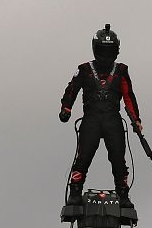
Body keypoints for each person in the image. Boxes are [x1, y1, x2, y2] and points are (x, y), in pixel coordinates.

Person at [59, 24, 143, 207]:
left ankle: (123, 194)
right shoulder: (84, 69)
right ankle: (75, 191)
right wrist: (66, 108)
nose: (106, 55)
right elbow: (71, 89)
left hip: (113, 119)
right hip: (92, 119)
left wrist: (136, 120)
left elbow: (129, 96)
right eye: (103, 51)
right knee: (83, 156)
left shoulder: (121, 70)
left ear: (116, 51)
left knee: (118, 158)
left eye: (109, 51)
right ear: (95, 49)